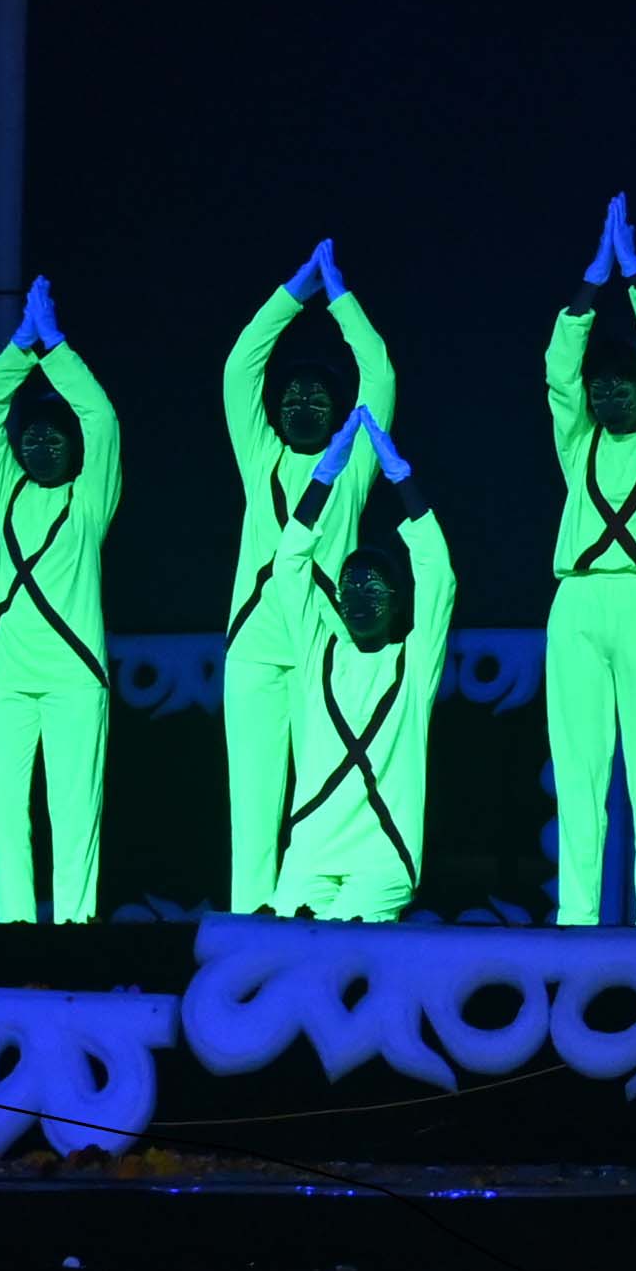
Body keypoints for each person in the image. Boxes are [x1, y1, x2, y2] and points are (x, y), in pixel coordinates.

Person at [221, 238, 395, 912]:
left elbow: (378, 375)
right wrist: (294, 293)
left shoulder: (351, 467)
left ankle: (314, 922)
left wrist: (340, 297)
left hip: (323, 650)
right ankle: (248, 926)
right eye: (291, 395)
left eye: (317, 397)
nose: (301, 404)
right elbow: (241, 366)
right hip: (253, 650)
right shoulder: (259, 455)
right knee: (253, 808)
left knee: (321, 799)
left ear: (338, 412)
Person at [545, 196, 636, 926]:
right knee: (577, 775)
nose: (607, 391)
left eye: (620, 382)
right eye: (599, 384)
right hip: (576, 602)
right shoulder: (578, 445)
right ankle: (576, 918)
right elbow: (557, 370)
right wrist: (590, 281)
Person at [0, 276, 122, 923]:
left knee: (74, 812)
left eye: (53, 436)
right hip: (4, 676)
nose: (39, 445)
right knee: (3, 813)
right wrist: (19, 347)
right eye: (29, 436)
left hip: (73, 678)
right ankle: (14, 928)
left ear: (73, 447)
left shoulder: (89, 501)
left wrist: (54, 347)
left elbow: (101, 418)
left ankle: (74, 926)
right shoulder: (5, 490)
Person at [268, 407, 450, 922]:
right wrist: (323, 476)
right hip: (311, 849)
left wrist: (403, 480)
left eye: (373, 589)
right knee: (282, 951)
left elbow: (438, 574)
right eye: (349, 588)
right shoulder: (320, 655)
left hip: (382, 856)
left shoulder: (412, 664)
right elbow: (289, 567)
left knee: (343, 951)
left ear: (396, 601)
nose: (357, 598)